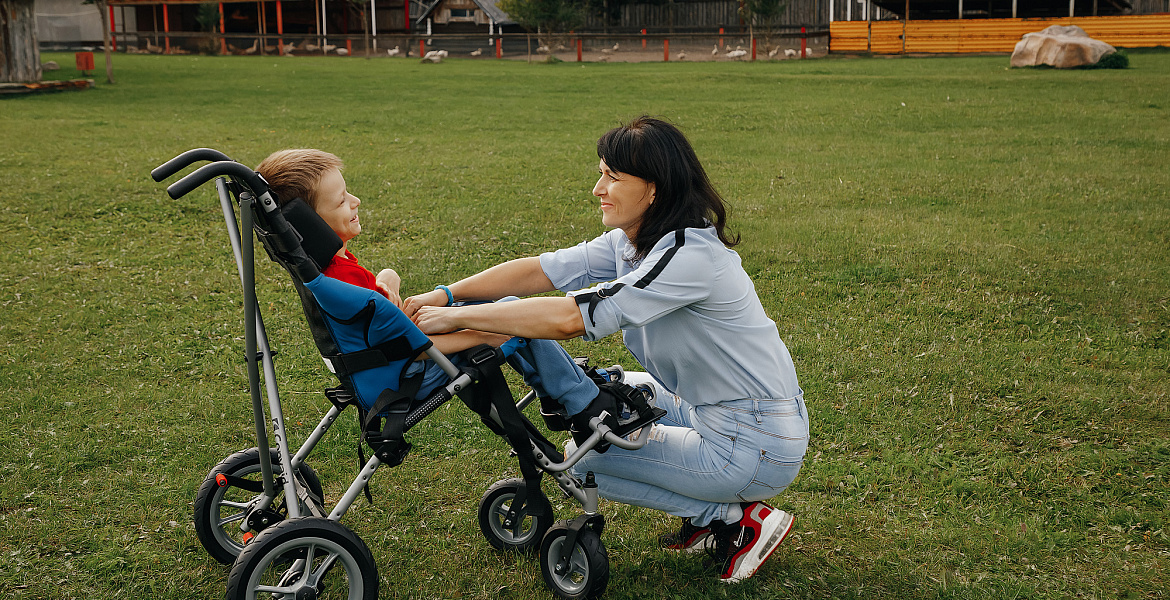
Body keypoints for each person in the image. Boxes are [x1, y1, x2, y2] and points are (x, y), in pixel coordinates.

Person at [404, 117, 809, 584]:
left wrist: (459, 318)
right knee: (612, 391)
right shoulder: (636, 239)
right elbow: (544, 271)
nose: (599, 188)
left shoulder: (688, 256)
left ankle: (733, 519)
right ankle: (717, 514)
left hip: (755, 442)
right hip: (718, 411)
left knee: (586, 454)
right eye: (601, 173)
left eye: (613, 177)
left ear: (653, 189)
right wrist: (449, 294)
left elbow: (569, 319)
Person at [255, 149, 601, 411]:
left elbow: (382, 302)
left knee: (485, 307)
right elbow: (411, 350)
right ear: (312, 224)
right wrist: (484, 334)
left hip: (384, 363)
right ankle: (585, 404)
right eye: (343, 201)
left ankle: (565, 390)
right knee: (512, 313)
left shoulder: (330, 270)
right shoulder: (342, 280)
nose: (355, 201)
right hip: (407, 377)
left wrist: (389, 281)